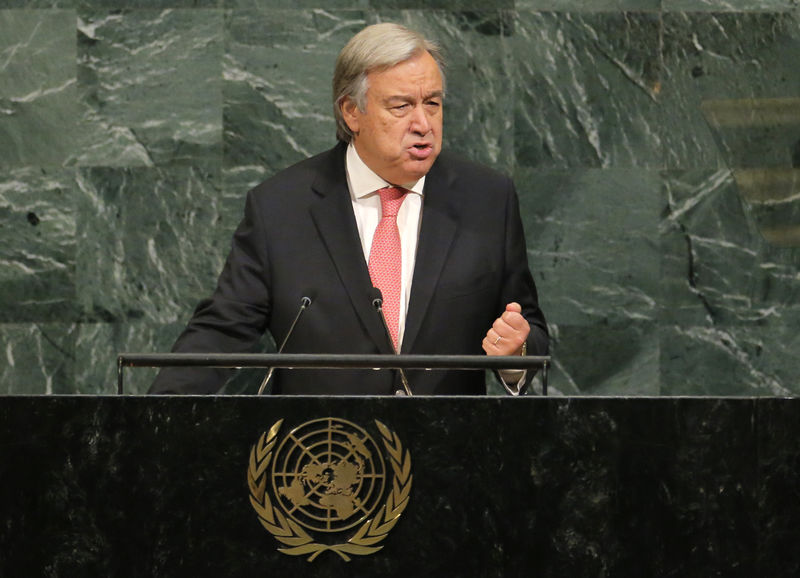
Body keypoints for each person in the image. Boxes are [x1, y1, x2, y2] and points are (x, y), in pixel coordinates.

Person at [149, 22, 548, 395]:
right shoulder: (282, 208)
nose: (423, 123)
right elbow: (222, 330)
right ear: (351, 112)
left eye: (433, 103)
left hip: (447, 454)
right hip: (322, 452)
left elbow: (526, 326)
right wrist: (145, 420)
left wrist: (516, 354)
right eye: (401, 106)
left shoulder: (488, 199)